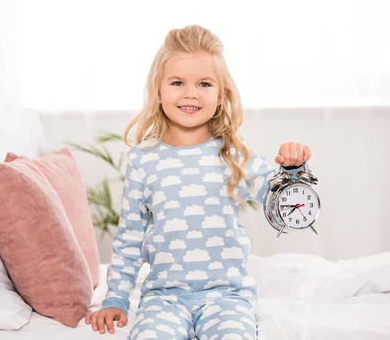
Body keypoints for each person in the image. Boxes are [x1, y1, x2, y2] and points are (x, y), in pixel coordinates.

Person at [84, 25, 311, 339]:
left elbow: (279, 206)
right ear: (158, 91)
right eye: (177, 82)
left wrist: (293, 171)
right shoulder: (143, 159)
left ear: (220, 96)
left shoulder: (234, 153)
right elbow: (130, 238)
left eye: (204, 83)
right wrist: (117, 297)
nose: (190, 93)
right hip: (163, 299)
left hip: (228, 297)